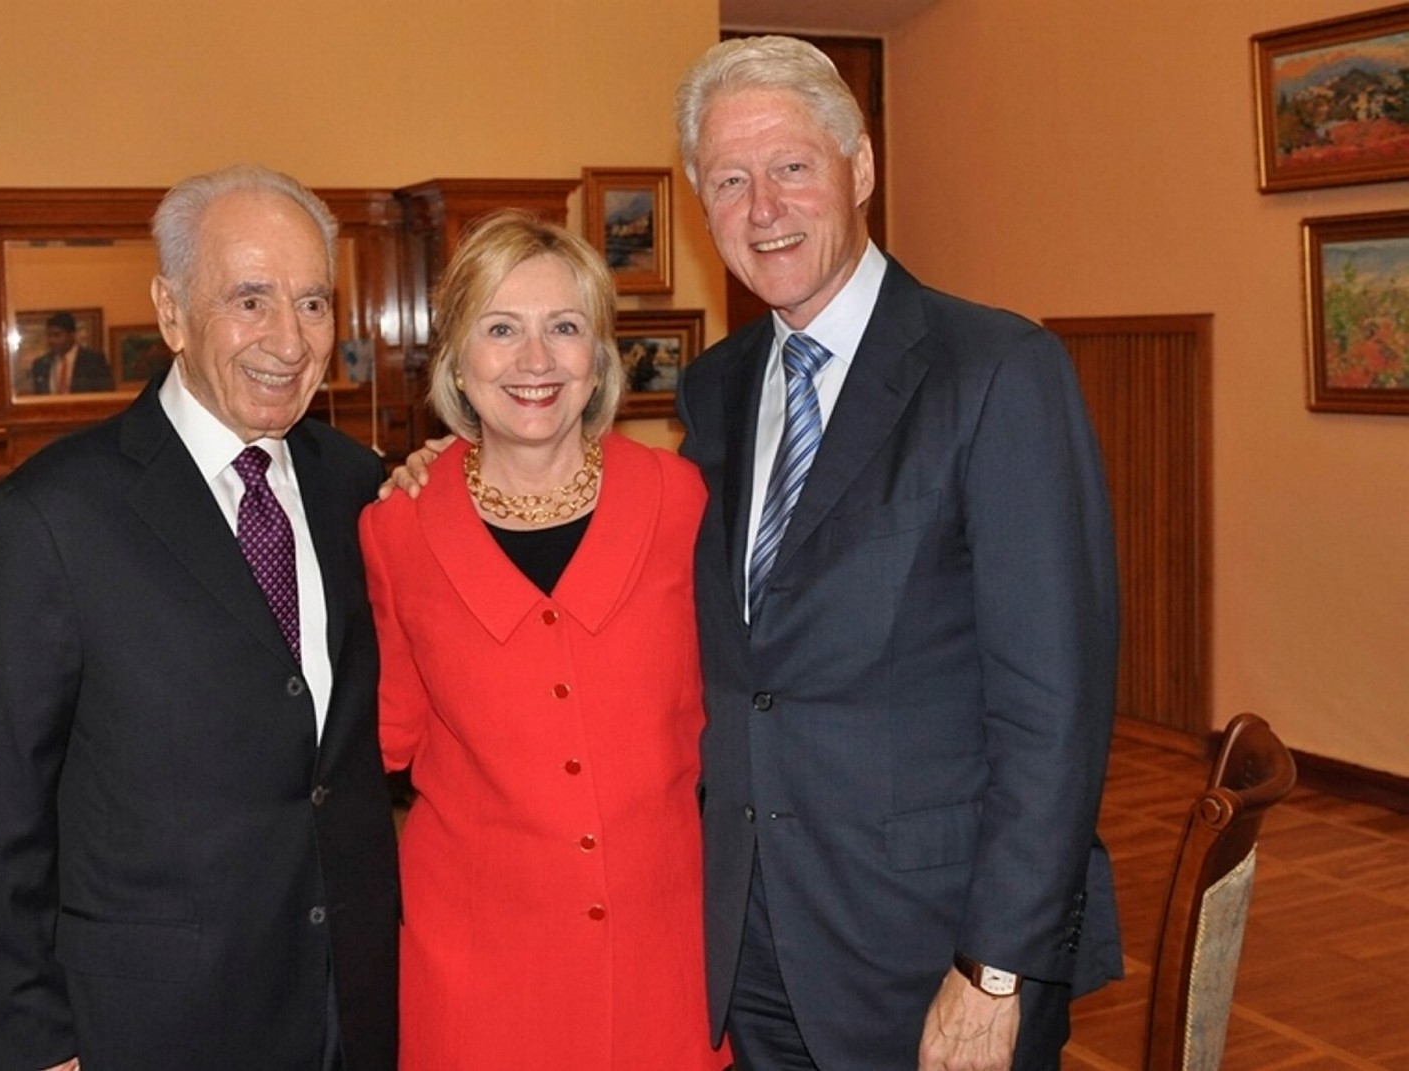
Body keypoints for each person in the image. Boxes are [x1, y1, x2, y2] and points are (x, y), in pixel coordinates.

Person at [674, 36, 1122, 1070]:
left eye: (791, 167)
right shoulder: (716, 389)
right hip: (754, 942)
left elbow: (1054, 708)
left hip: (935, 954)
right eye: (729, 181)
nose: (763, 208)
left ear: (860, 168)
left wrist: (995, 968)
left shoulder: (997, 371)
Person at [0, 164, 399, 1071]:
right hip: (155, 1022)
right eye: (250, 299)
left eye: (313, 303)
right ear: (170, 312)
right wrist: (31, 1041)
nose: (289, 338)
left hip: (348, 1001)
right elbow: (3, 813)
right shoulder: (52, 516)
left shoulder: (362, 489)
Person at [359, 210, 726, 1070]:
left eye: (564, 328)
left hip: (659, 964)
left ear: (599, 356)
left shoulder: (682, 503)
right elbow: (386, 738)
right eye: (501, 329)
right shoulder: (396, 531)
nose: (534, 361)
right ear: (455, 357)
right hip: (476, 977)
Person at [30, 311, 116, 393]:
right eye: (49, 336)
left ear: (71, 335)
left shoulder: (94, 361)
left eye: (56, 335)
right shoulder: (40, 365)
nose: (51, 340)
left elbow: (106, 393)